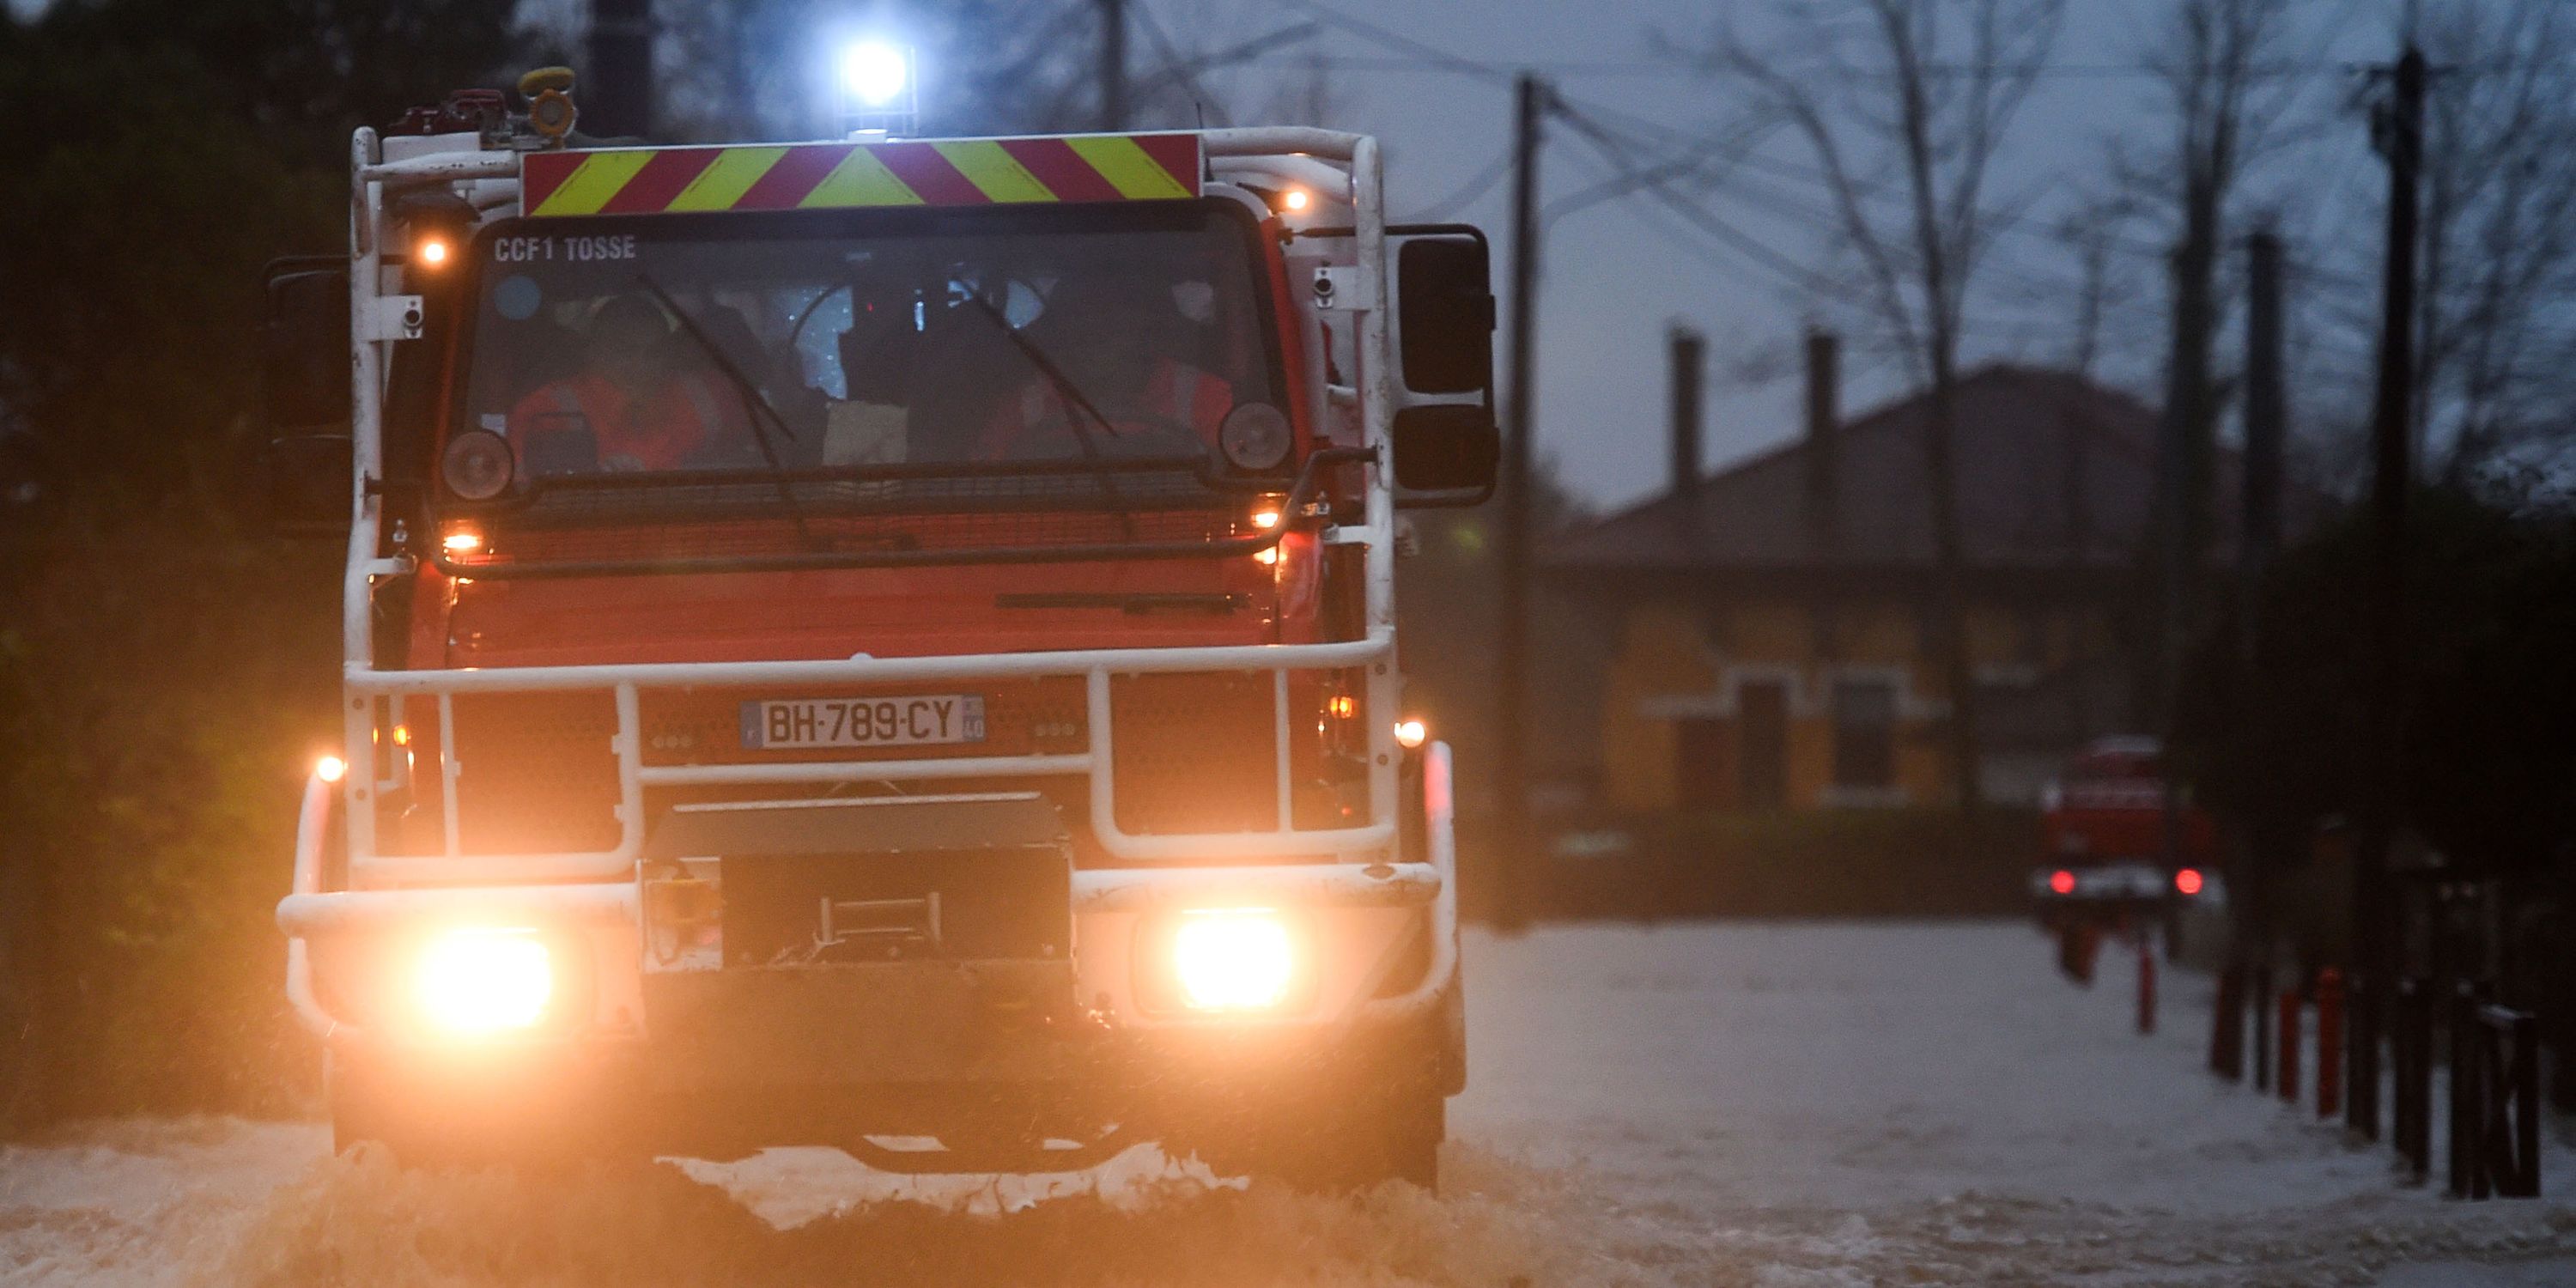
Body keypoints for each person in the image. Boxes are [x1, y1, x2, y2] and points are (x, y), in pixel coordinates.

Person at [973, 274, 1234, 462]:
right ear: (1064, 331)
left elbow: (1236, 478)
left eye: (1114, 321)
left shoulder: (1204, 396)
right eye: (1085, 321)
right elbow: (985, 483)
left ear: (1144, 327)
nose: (1099, 332)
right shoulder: (1026, 406)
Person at [507, 295, 747, 472]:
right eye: (624, 351)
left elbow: (758, 453)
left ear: (669, 353)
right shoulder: (548, 409)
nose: (640, 363)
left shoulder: (710, 394)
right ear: (594, 352)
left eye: (654, 352)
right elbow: (519, 486)